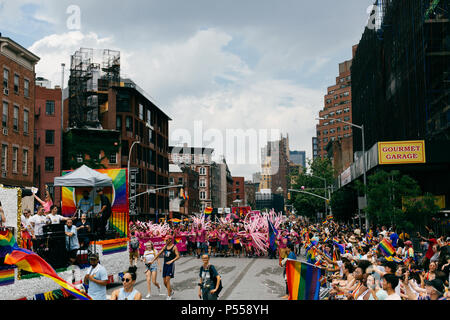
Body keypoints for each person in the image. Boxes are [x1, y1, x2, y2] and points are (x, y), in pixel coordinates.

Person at [150, 235, 180, 300]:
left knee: (167, 280)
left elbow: (178, 256)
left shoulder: (174, 247)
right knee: (164, 282)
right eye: (165, 240)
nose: (165, 241)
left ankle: (169, 296)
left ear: (170, 240)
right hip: (165, 265)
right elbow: (158, 254)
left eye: (166, 240)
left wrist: (172, 261)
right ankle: (171, 291)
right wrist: (152, 260)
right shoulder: (165, 246)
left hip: (171, 265)